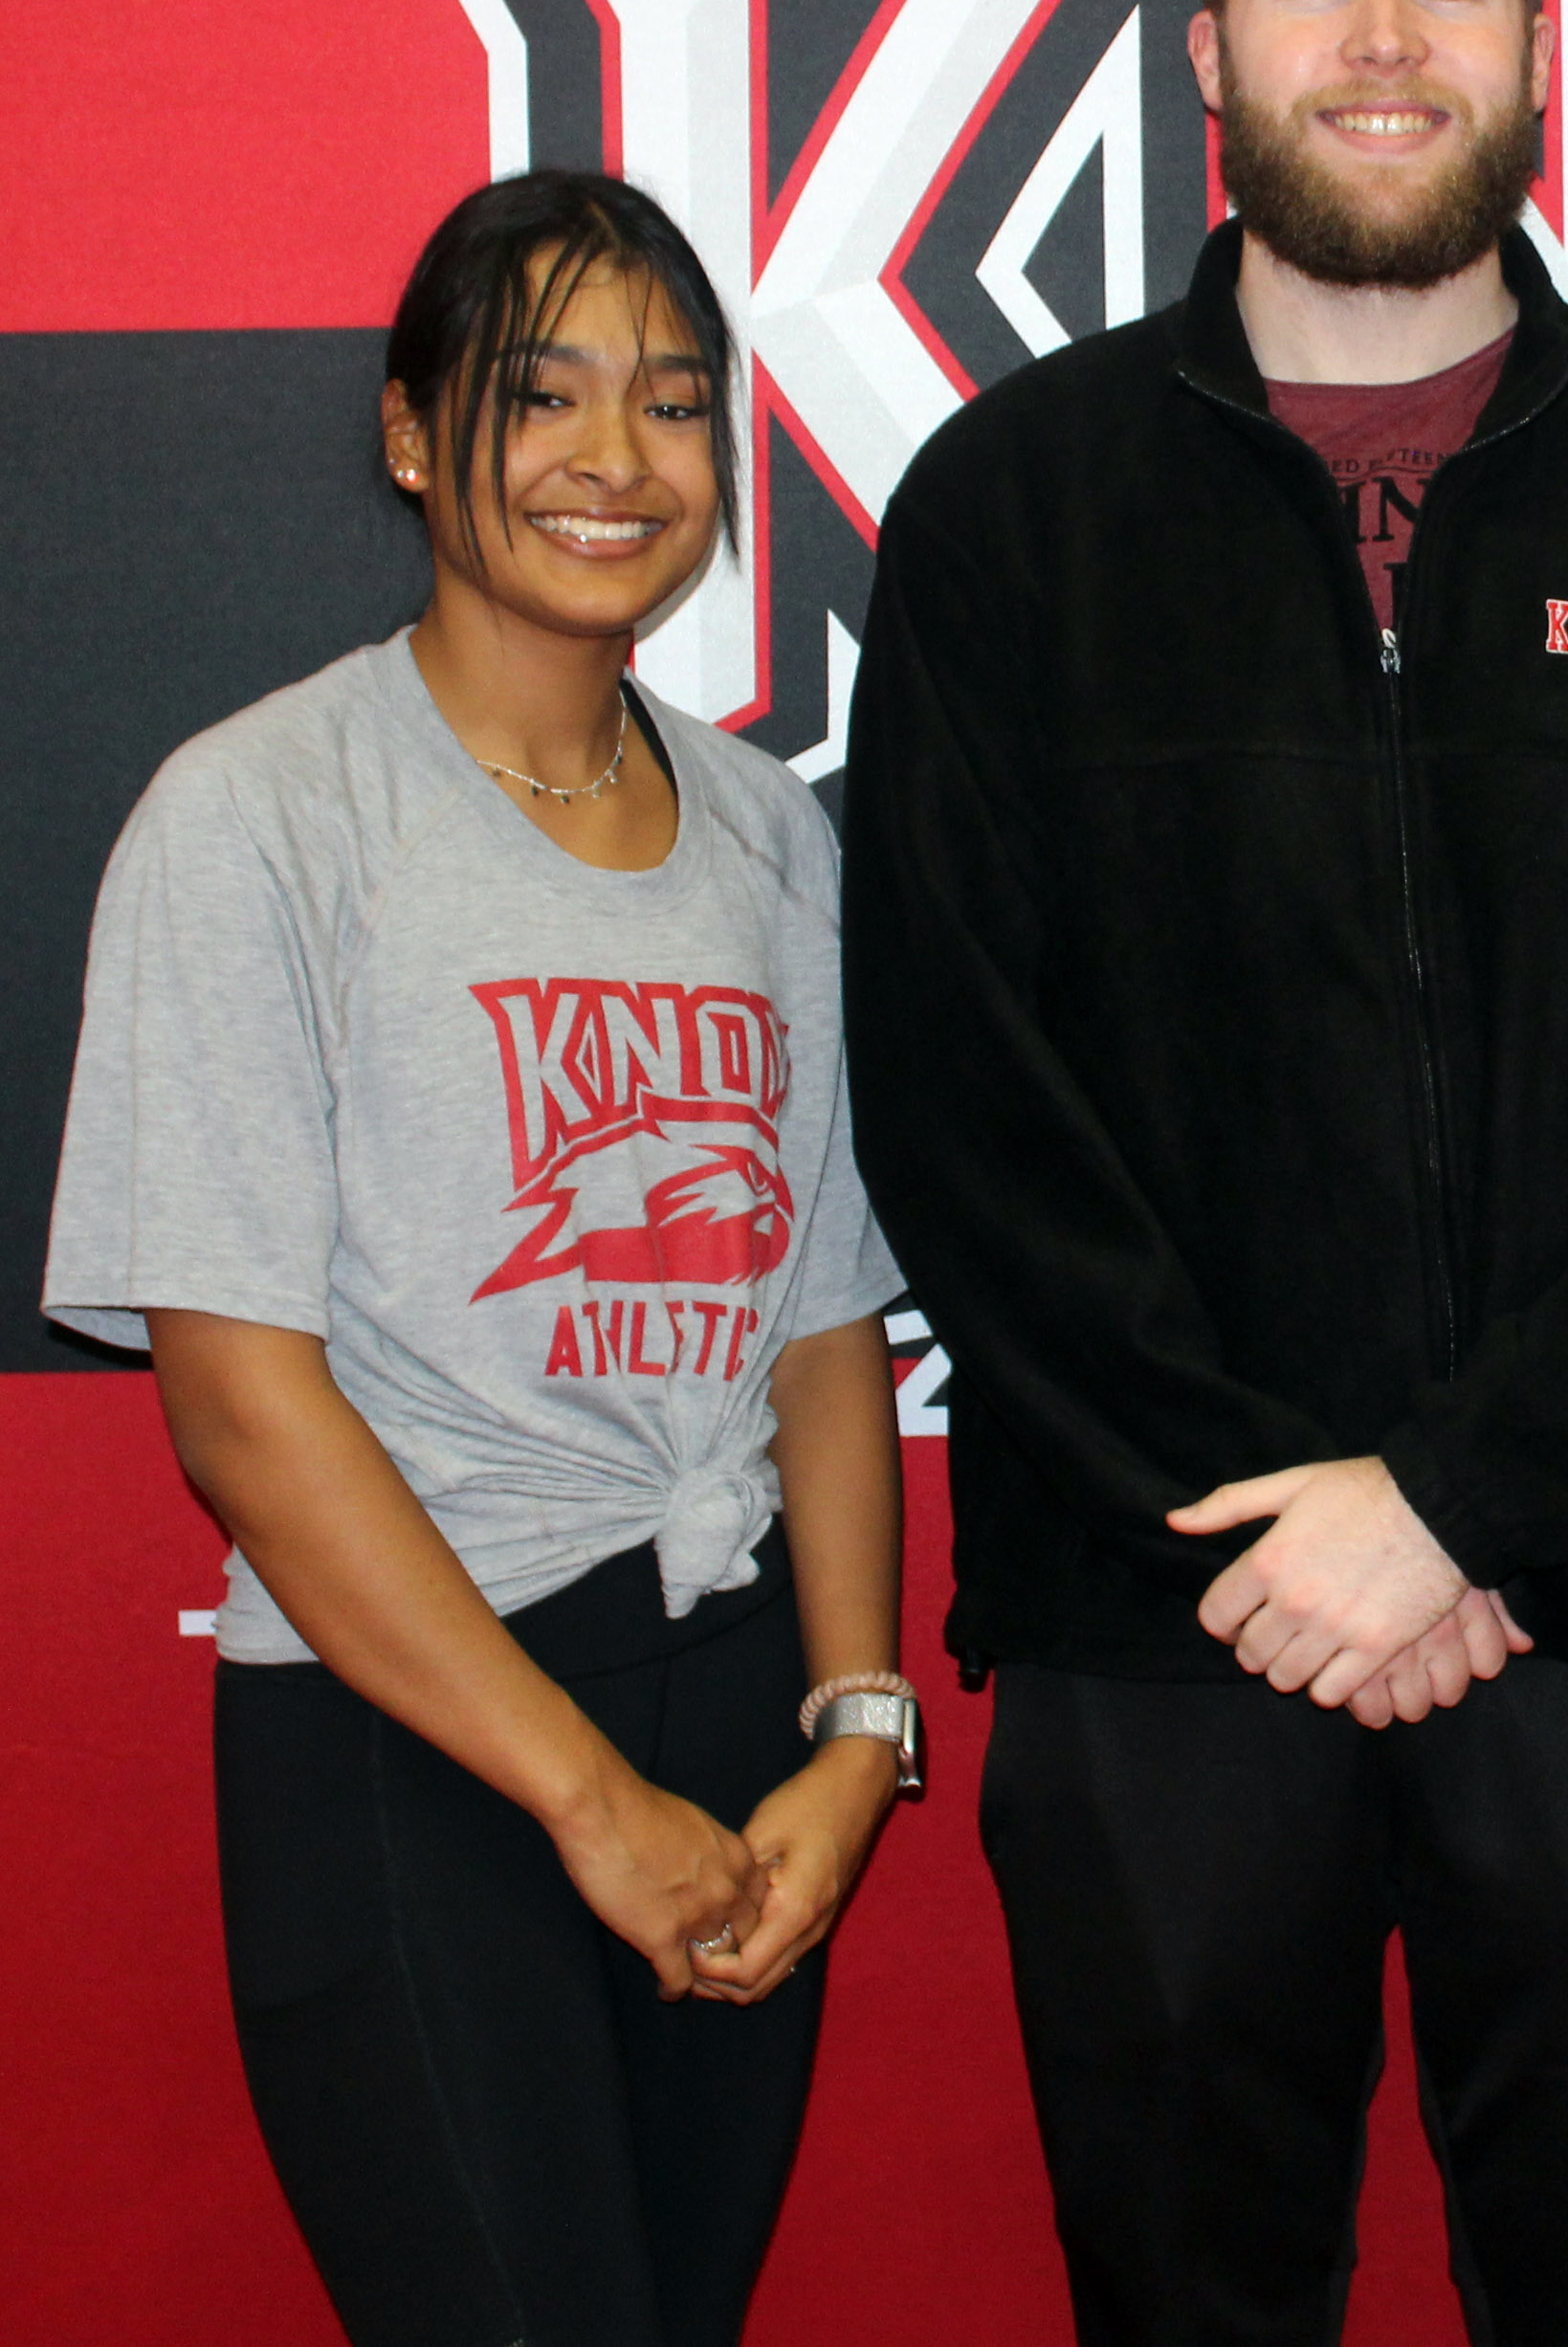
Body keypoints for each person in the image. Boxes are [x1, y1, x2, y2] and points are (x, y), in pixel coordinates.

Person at [841, 0, 1568, 2347]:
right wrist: (1281, 1526)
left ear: (1537, 47)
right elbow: (964, 1097)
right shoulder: (1015, 506)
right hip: (1159, 1616)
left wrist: (1460, 1506)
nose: (1386, 42)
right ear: (1208, 54)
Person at [45, 171, 912, 2347]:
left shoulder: (764, 829)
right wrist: (584, 1797)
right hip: (415, 1730)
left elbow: (815, 1321)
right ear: (418, 430)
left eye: (674, 400)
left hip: (732, 1714)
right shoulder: (259, 815)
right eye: (543, 394)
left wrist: (853, 1725)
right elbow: (243, 1403)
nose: (617, 457)